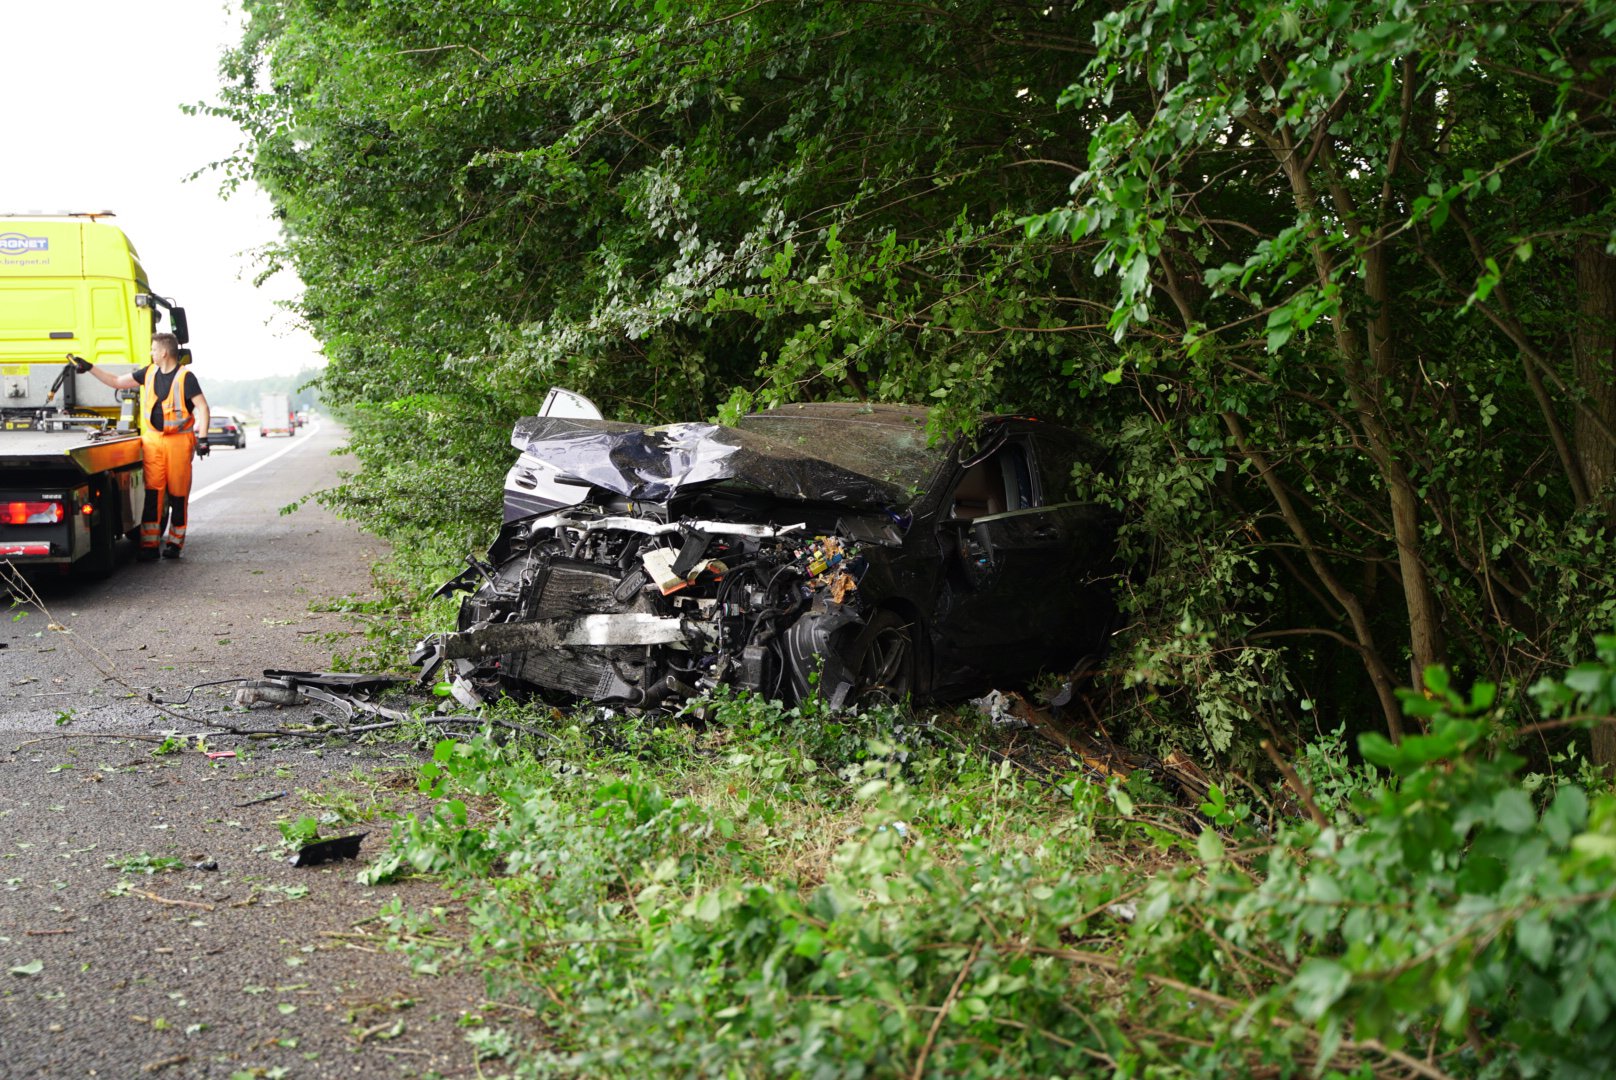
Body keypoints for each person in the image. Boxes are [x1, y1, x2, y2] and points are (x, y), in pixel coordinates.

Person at [75, 333, 210, 560]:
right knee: (153, 493)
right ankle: (149, 546)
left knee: (178, 495)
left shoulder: (186, 377)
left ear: (164, 352)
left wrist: (203, 439)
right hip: (154, 440)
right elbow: (117, 382)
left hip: (178, 442)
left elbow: (203, 408)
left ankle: (175, 544)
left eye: (153, 349)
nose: (151, 353)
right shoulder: (148, 372)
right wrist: (90, 368)